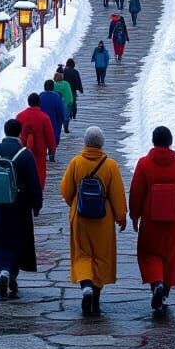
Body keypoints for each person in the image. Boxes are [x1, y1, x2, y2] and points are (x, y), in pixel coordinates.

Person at [60, 125, 128, 316]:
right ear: (102, 143)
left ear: (85, 142)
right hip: (103, 219)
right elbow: (117, 195)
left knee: (82, 254)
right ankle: (95, 295)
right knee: (100, 256)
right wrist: (121, 216)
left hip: (80, 216)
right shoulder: (110, 165)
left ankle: (86, 286)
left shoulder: (76, 162)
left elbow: (65, 190)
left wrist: (74, 204)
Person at [129, 125, 175, 311]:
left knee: (151, 254)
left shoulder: (144, 164)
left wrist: (134, 215)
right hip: (173, 221)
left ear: (153, 141)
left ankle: (156, 284)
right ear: (170, 142)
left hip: (151, 221)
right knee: (170, 256)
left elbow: (136, 192)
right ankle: (164, 289)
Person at [0, 118, 44, 298]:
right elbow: (34, 183)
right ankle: (11, 274)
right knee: (17, 239)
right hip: (20, 206)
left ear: (5, 131)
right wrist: (36, 205)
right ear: (19, 133)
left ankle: (3, 271)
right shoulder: (24, 154)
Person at [15, 93, 56, 185]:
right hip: (40, 152)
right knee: (39, 173)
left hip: (23, 151)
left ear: (28, 102)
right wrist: (52, 150)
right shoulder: (44, 117)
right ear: (39, 103)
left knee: (24, 172)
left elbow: (16, 134)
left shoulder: (20, 116)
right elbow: (50, 137)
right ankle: (37, 194)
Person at [39, 80, 67, 146]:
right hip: (54, 122)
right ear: (52, 87)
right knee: (54, 139)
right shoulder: (57, 97)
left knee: (43, 138)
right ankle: (52, 153)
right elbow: (61, 111)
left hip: (43, 122)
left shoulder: (40, 96)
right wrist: (63, 120)